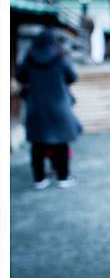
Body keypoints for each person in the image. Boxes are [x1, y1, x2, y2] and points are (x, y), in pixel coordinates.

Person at [16, 29, 81, 189]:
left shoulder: (29, 58)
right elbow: (72, 76)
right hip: (59, 106)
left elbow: (20, 76)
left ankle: (39, 179)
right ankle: (63, 177)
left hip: (36, 106)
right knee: (61, 143)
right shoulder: (60, 57)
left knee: (37, 144)